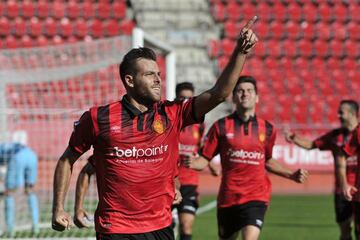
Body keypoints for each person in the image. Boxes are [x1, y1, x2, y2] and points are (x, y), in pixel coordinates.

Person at [51, 16, 259, 240]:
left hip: (160, 227)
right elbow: (67, 160)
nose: (158, 79)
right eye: (149, 74)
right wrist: (58, 208)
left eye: (158, 74)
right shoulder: (97, 117)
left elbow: (219, 93)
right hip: (116, 229)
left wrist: (240, 52)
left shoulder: (172, 113)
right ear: (130, 81)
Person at [185, 76, 308, 240]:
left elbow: (268, 160)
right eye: (240, 91)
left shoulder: (268, 129)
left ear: (257, 97)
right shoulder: (220, 126)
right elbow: (204, 159)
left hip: (256, 196)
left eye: (249, 91)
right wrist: (193, 163)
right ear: (234, 97)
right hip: (228, 198)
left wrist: (291, 174)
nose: (245, 94)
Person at [285, 100, 359, 240]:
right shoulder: (335, 136)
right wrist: (294, 138)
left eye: (341, 112)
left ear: (353, 114)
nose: (338, 115)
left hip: (358, 190)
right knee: (345, 230)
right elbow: (311, 144)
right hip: (341, 191)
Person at [172, 82, 220, 240]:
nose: (186, 101)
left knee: (186, 225)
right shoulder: (168, 123)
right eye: (182, 97)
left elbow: (200, 148)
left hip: (190, 182)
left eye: (189, 98)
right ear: (176, 98)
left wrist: (210, 165)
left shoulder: (198, 125)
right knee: (163, 227)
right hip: (168, 180)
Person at [0, 143, 39, 237]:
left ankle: (10, 229)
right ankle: (35, 226)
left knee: (8, 192)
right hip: (32, 155)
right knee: (30, 190)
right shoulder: (6, 146)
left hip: (17, 156)